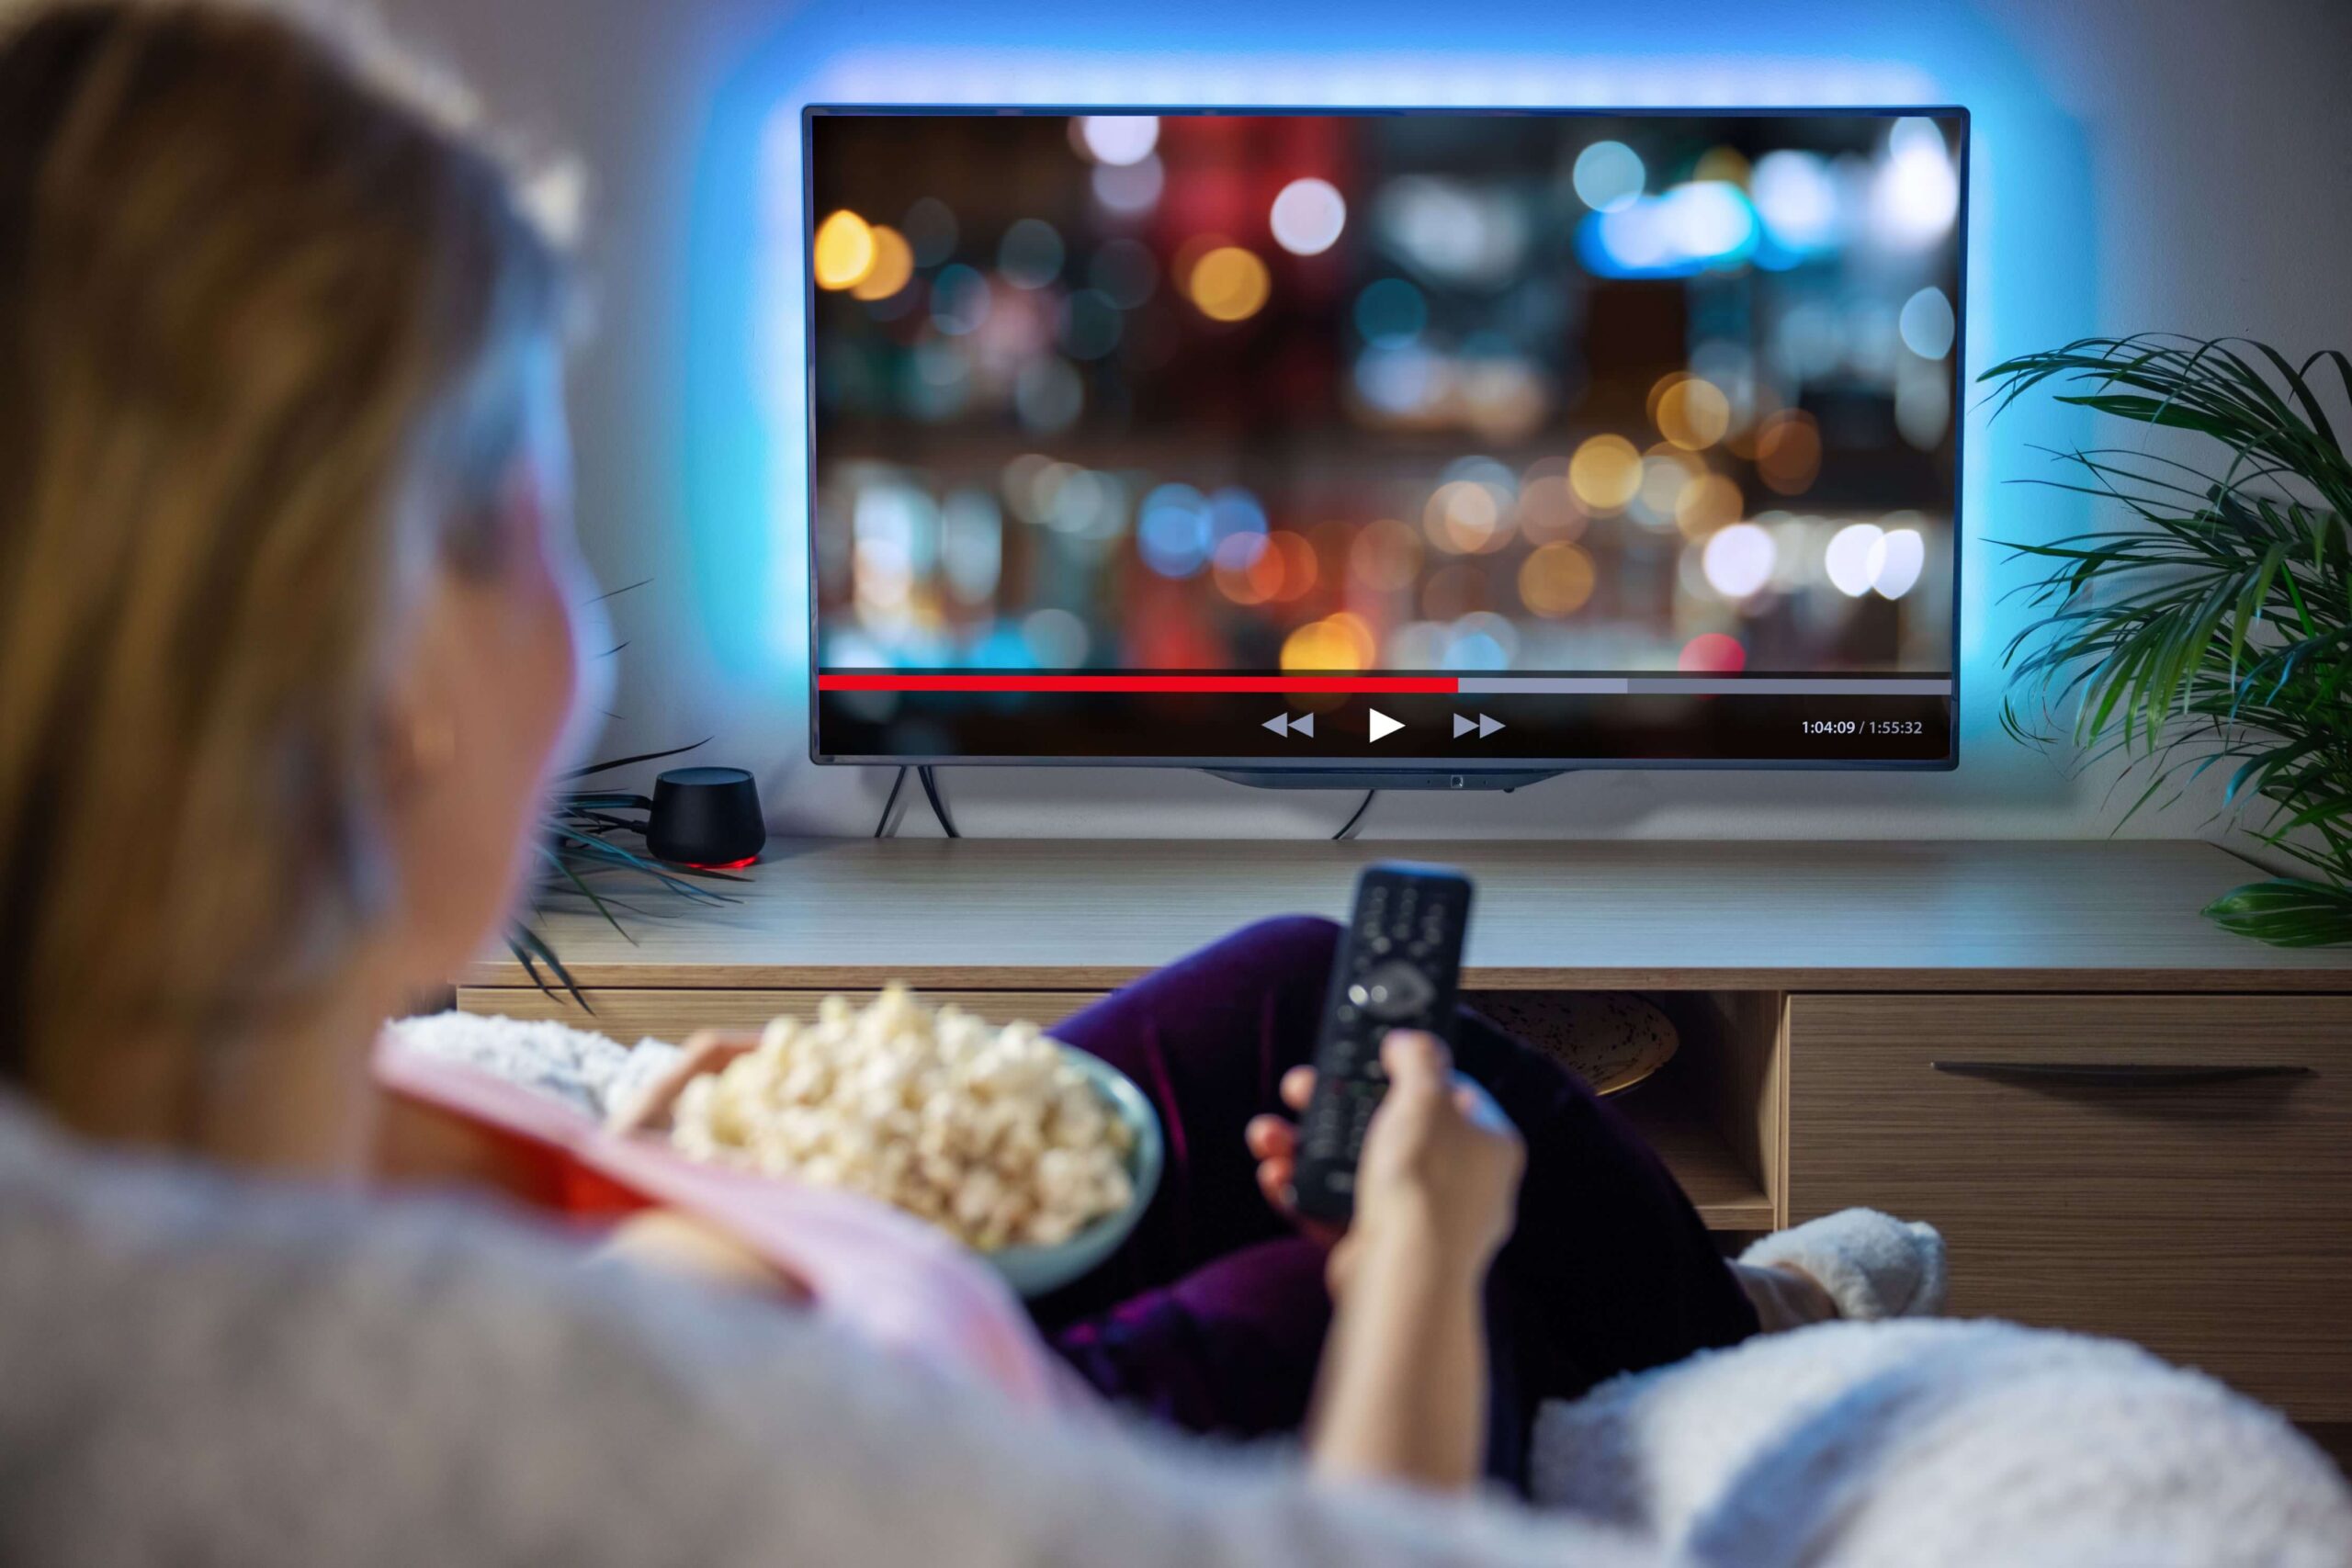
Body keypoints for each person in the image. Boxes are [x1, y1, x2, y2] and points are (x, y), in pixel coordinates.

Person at [12, 5, 2187, 1564]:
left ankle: (1717, 1308)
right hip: (962, 1411)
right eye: (537, 524)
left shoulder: (197, 1132)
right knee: (1333, 1252)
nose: (587, 629)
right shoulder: (486, 1411)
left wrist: (677, 1184)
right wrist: (1420, 1268)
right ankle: (1709, 1340)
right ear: (389, 679)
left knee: (1300, 983)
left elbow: (564, 1318)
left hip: (847, 1328)